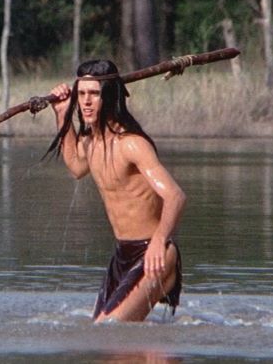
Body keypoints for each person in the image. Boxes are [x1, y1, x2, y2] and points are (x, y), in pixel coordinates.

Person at [46, 59, 186, 323]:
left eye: (94, 94)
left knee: (107, 327)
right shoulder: (90, 143)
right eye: (81, 94)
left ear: (109, 96)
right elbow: (76, 166)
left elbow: (175, 196)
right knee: (101, 329)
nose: (86, 102)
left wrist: (159, 241)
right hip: (122, 255)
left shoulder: (131, 144)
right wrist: (62, 114)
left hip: (155, 252)